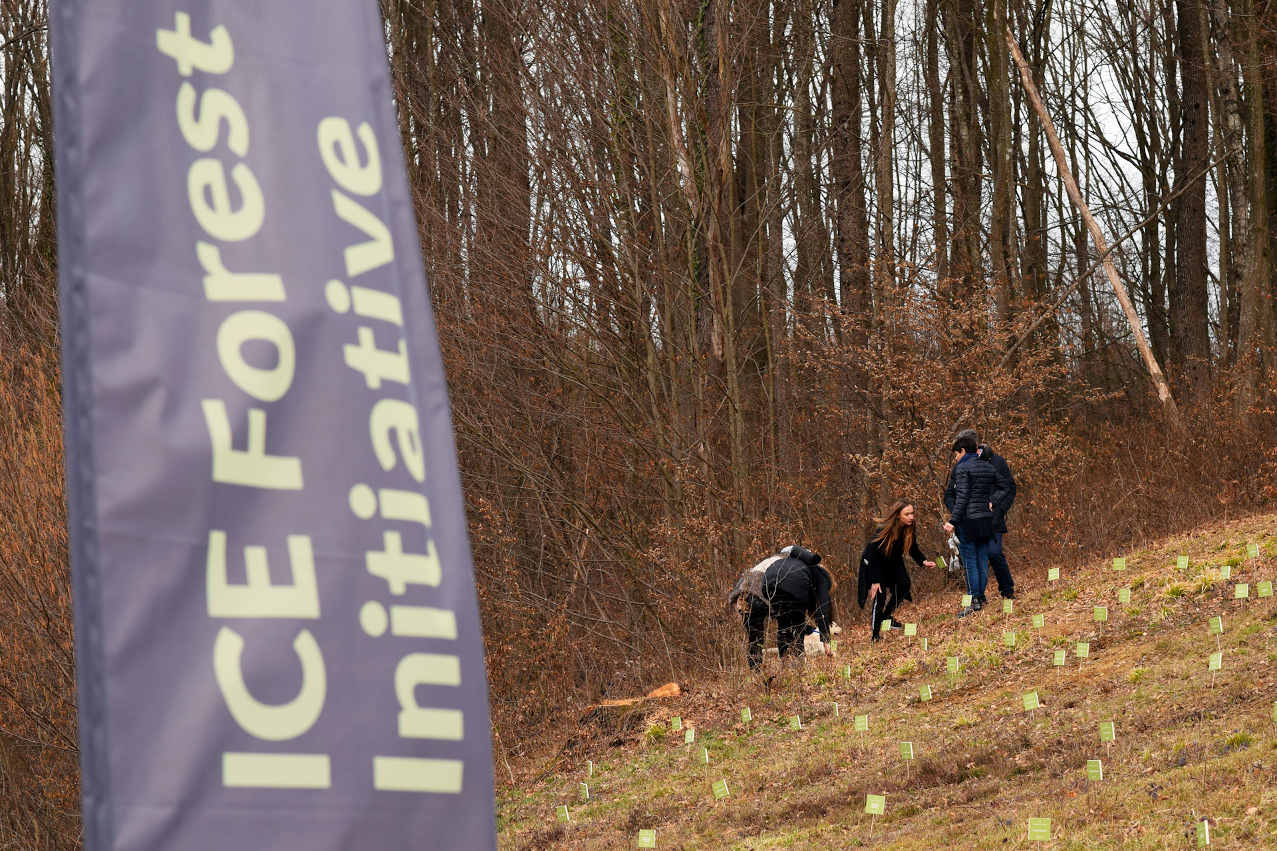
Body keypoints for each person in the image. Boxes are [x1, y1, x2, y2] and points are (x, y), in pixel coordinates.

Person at [733, 546, 835, 670]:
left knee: (757, 636)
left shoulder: (781, 562)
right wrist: (826, 639)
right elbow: (822, 606)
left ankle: (757, 672)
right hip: (758, 589)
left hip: (745, 590)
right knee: (794, 626)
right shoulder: (815, 573)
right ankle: (795, 668)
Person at [943, 432, 1006, 616]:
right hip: (986, 520)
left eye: (956, 454)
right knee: (981, 559)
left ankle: (974, 600)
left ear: (962, 451)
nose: (956, 458)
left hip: (968, 521)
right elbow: (1004, 486)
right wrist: (992, 500)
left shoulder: (962, 469)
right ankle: (980, 597)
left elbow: (962, 497)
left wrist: (952, 521)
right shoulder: (987, 466)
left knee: (970, 562)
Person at [857, 501, 936, 640]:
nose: (911, 517)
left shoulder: (909, 528)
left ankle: (886, 616)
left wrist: (923, 561)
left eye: (912, 513)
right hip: (875, 565)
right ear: (898, 515)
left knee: (904, 585)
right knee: (879, 598)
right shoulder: (884, 530)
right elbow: (873, 556)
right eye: (907, 514)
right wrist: (875, 581)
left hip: (893, 563)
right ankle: (875, 636)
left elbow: (913, 548)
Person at [977, 437, 1017, 599]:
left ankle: (1007, 590)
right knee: (977, 558)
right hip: (975, 519)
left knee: (994, 553)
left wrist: (999, 508)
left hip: (994, 519)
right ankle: (978, 597)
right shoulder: (967, 463)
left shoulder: (998, 462)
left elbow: (1010, 488)